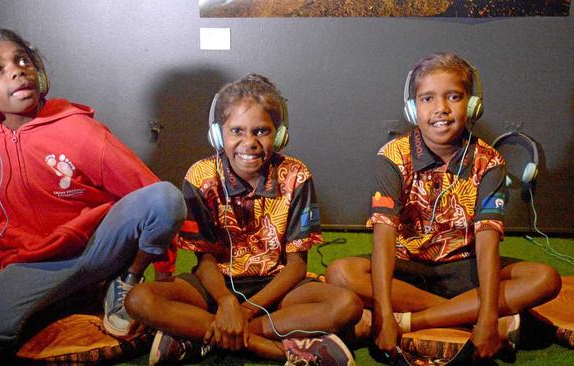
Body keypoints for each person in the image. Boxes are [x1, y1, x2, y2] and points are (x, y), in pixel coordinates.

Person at [0, 26, 185, 361]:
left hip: (99, 250)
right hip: (32, 267)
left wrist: (162, 277)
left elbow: (144, 188)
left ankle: (123, 284)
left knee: (164, 197)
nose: (17, 69)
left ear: (40, 74)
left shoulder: (77, 127)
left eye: (23, 60)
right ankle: (72, 298)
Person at [325, 52, 562, 360]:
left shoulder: (489, 161)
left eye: (454, 96)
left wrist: (488, 319)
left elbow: (487, 245)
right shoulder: (393, 156)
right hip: (407, 266)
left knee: (545, 278)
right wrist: (382, 312)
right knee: (340, 272)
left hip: (465, 268)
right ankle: (462, 315)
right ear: (412, 109)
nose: (441, 109)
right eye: (427, 99)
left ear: (473, 105)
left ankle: (411, 320)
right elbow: (383, 238)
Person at [124, 74, 362, 365]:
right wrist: (226, 301)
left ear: (279, 134)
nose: (249, 142)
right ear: (217, 134)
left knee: (347, 305)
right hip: (215, 287)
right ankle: (272, 348)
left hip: (276, 289)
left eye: (261, 131)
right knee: (138, 299)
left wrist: (244, 311)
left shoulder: (296, 175)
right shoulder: (200, 176)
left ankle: (208, 336)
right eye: (236, 130)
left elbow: (297, 265)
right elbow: (205, 259)